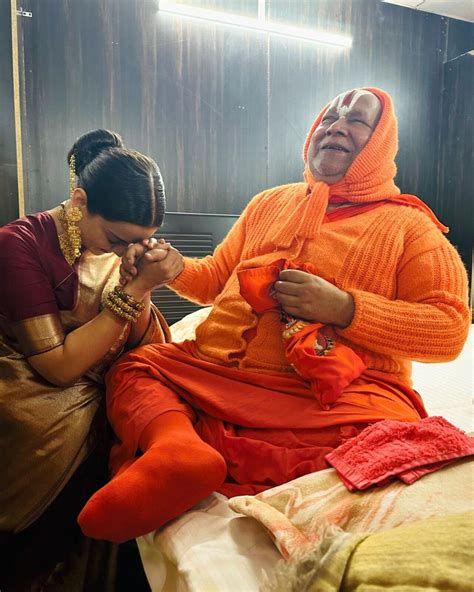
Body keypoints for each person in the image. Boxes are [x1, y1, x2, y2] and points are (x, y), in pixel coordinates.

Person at [78, 88, 470, 544]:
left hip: (331, 396)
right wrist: (175, 267)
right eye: (329, 117)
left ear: (381, 142)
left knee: (379, 443)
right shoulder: (268, 203)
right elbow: (213, 280)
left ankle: (189, 446)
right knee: (134, 367)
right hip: (217, 374)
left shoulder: (411, 227)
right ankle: (177, 451)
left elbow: (449, 331)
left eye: (357, 120)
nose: (337, 125)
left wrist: (345, 308)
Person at [0, 129, 178, 586]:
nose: (125, 251)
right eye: (118, 239)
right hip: (32, 392)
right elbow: (56, 367)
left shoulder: (115, 246)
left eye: (138, 242)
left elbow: (140, 341)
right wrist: (135, 288)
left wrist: (140, 282)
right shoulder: (19, 245)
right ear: (79, 201)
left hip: (98, 380)